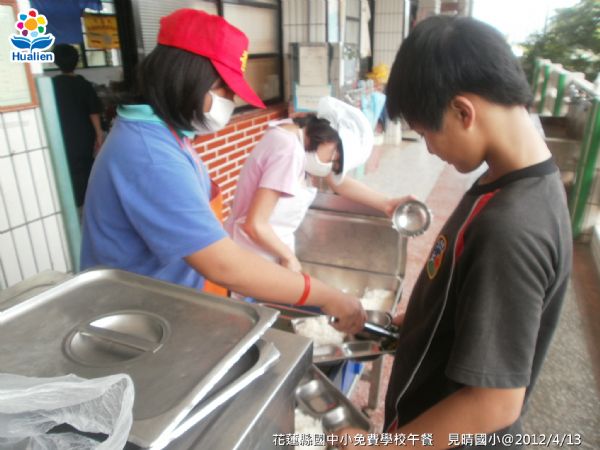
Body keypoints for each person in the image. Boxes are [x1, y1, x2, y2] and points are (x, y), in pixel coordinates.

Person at [335, 15, 572, 449]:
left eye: (426, 132)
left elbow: (494, 401)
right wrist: (420, 323)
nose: (428, 148)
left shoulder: (511, 227)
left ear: (463, 111)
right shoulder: (509, 181)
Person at [80, 9, 366, 334]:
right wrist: (325, 296)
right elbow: (223, 264)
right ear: (185, 76)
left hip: (168, 308)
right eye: (224, 90)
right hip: (137, 326)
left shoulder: (167, 136)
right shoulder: (151, 156)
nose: (230, 102)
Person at [225, 96, 409, 273]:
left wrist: (386, 203)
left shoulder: (292, 135)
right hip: (252, 255)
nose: (329, 166)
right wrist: (289, 257)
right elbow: (255, 224)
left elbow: (339, 184)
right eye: (334, 159)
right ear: (329, 135)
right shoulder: (289, 151)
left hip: (264, 251)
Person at [53, 43, 104, 208]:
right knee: (86, 165)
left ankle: (74, 201)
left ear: (56, 62)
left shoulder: (51, 85)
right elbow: (93, 111)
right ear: (77, 61)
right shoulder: (84, 84)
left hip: (61, 134)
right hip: (84, 134)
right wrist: (99, 134)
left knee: (68, 168)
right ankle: (88, 200)